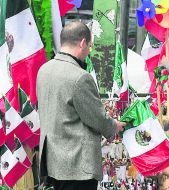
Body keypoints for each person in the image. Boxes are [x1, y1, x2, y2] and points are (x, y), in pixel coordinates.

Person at [36, 21, 125, 190]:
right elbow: (96, 117)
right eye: (89, 45)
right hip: (76, 164)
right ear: (83, 43)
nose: (89, 51)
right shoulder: (80, 77)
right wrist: (114, 126)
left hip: (54, 161)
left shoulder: (44, 70)